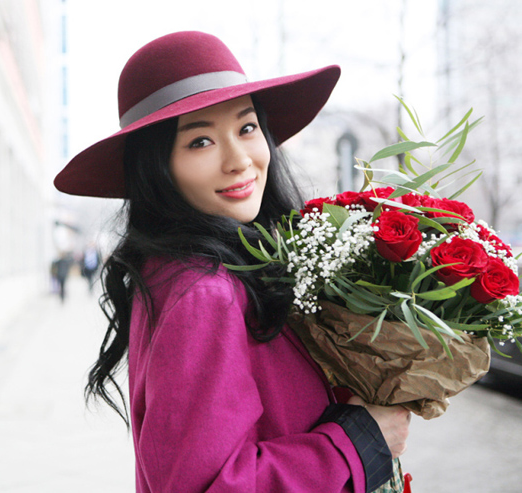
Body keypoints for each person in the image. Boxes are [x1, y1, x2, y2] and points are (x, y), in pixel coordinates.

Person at [54, 31, 410, 492]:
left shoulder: (204, 270)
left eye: (247, 128)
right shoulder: (202, 291)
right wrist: (358, 443)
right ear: (157, 168)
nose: (239, 160)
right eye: (200, 141)